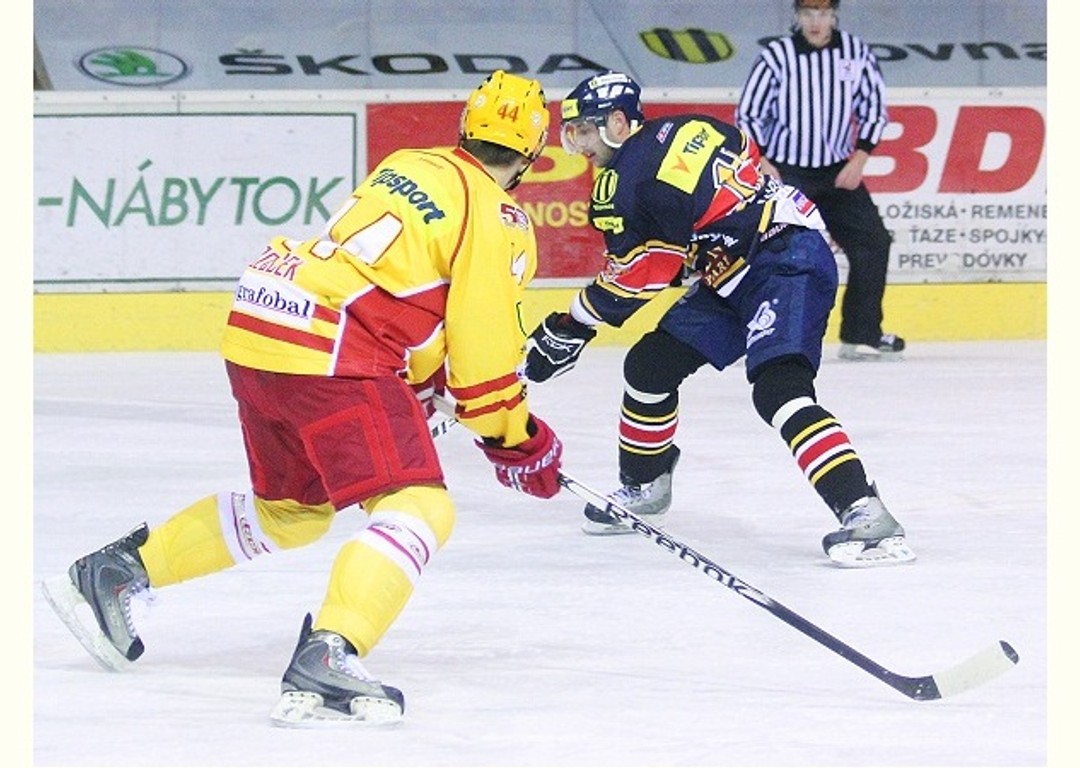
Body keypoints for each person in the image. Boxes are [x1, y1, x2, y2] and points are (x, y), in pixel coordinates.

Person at [41, 70, 565, 727]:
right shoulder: (500, 216)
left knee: (293, 509)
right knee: (420, 503)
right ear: (531, 157)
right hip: (334, 349)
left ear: (464, 130)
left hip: (265, 319)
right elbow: (485, 358)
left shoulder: (409, 164)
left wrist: (427, 380)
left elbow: (411, 292)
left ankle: (119, 573)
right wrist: (516, 439)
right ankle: (332, 652)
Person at [524, 70, 914, 567]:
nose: (575, 143)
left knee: (780, 389)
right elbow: (736, 174)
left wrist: (571, 326)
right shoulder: (691, 127)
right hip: (737, 265)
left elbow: (646, 271)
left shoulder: (623, 183)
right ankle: (645, 486)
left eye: (581, 129)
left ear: (617, 123)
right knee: (650, 366)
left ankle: (866, 512)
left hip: (783, 259)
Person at [735, 0, 904, 361]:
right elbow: (749, 114)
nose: (816, 21)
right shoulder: (777, 56)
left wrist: (860, 158)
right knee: (771, 251)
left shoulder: (855, 53)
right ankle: (752, 329)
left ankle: (862, 334)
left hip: (837, 172)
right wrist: (761, 160)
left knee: (873, 242)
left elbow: (874, 108)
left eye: (823, 14)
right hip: (786, 172)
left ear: (834, 16)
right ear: (796, 16)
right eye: (808, 14)